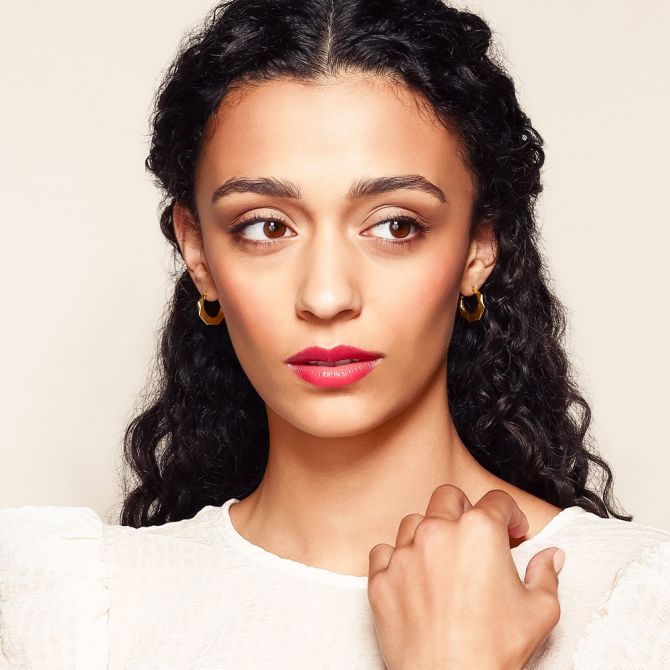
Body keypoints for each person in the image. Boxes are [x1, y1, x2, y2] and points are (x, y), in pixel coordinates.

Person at [1, 0, 669, 668]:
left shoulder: (635, 611)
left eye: (395, 225)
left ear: (477, 249)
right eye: (266, 226)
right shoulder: (74, 616)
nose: (325, 296)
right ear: (198, 253)